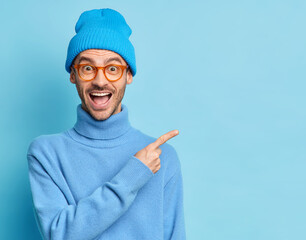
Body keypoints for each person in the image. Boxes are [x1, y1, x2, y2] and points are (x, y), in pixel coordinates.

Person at [26, 8, 186, 240]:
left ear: (128, 75)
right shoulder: (46, 154)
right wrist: (133, 175)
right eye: (87, 68)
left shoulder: (162, 156)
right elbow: (59, 235)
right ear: (73, 75)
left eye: (113, 69)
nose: (100, 81)